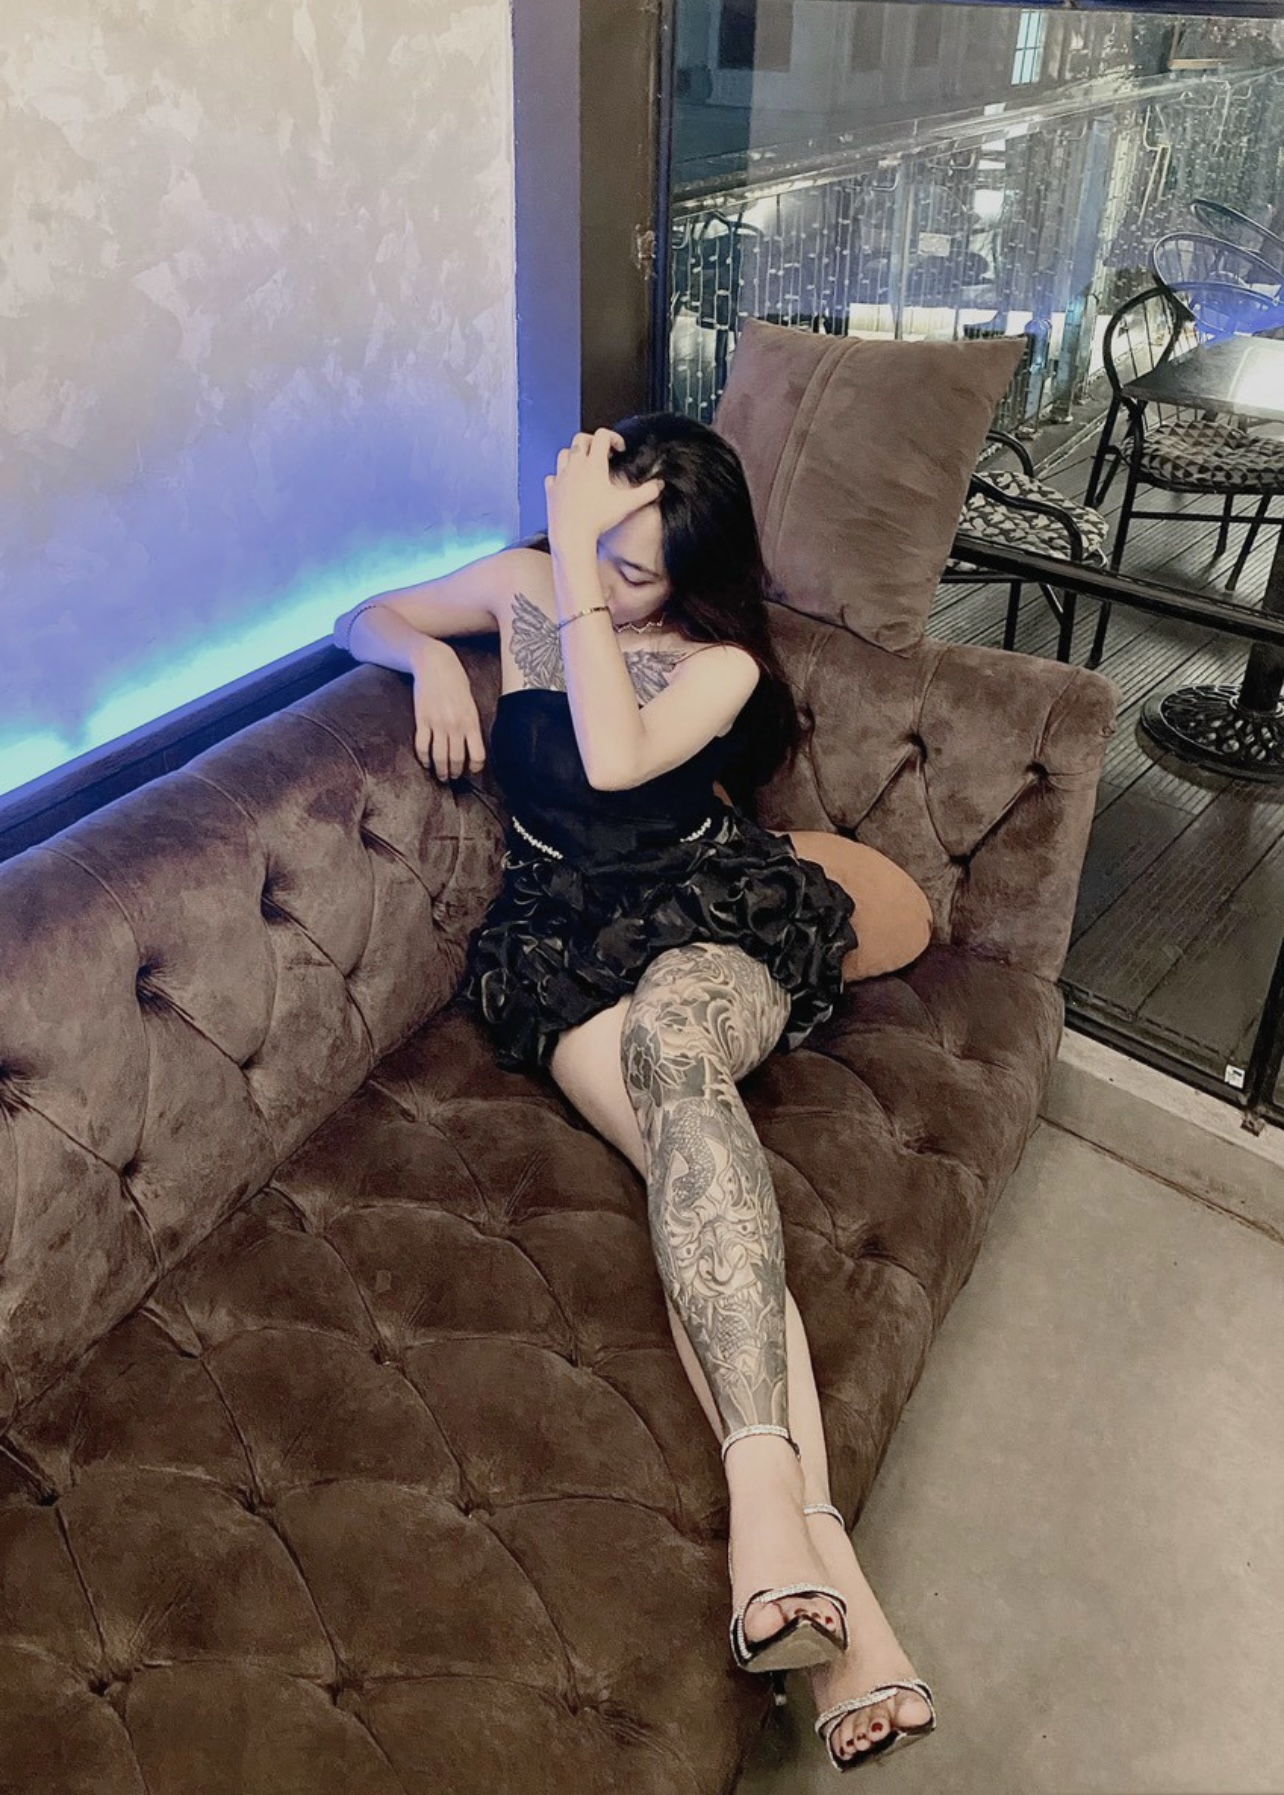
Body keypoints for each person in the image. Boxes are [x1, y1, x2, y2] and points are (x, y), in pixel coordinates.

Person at [332, 414, 936, 1770]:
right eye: (599, 547)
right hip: (561, 939)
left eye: (639, 569)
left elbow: (610, 758)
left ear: (695, 577)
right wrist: (429, 656)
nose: (604, 581)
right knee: (690, 1159)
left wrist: (572, 575)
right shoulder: (524, 582)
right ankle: (821, 1560)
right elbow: (357, 614)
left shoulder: (721, 666)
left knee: (677, 1047)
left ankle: (766, 1512)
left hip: (712, 913)